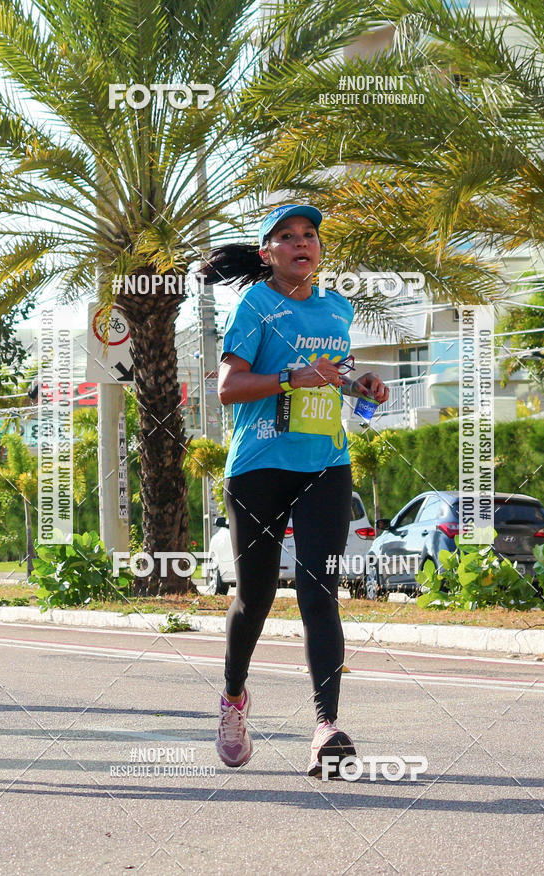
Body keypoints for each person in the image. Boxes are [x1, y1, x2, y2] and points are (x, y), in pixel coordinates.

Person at [199, 203, 389, 777]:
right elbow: (229, 388)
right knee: (255, 595)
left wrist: (363, 385)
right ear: (267, 254)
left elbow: (336, 372)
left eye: (309, 235)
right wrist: (288, 377)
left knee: (319, 593)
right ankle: (234, 699)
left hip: (326, 463)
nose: (301, 243)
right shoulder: (257, 304)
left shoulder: (337, 307)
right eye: (286, 237)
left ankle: (326, 728)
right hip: (259, 465)